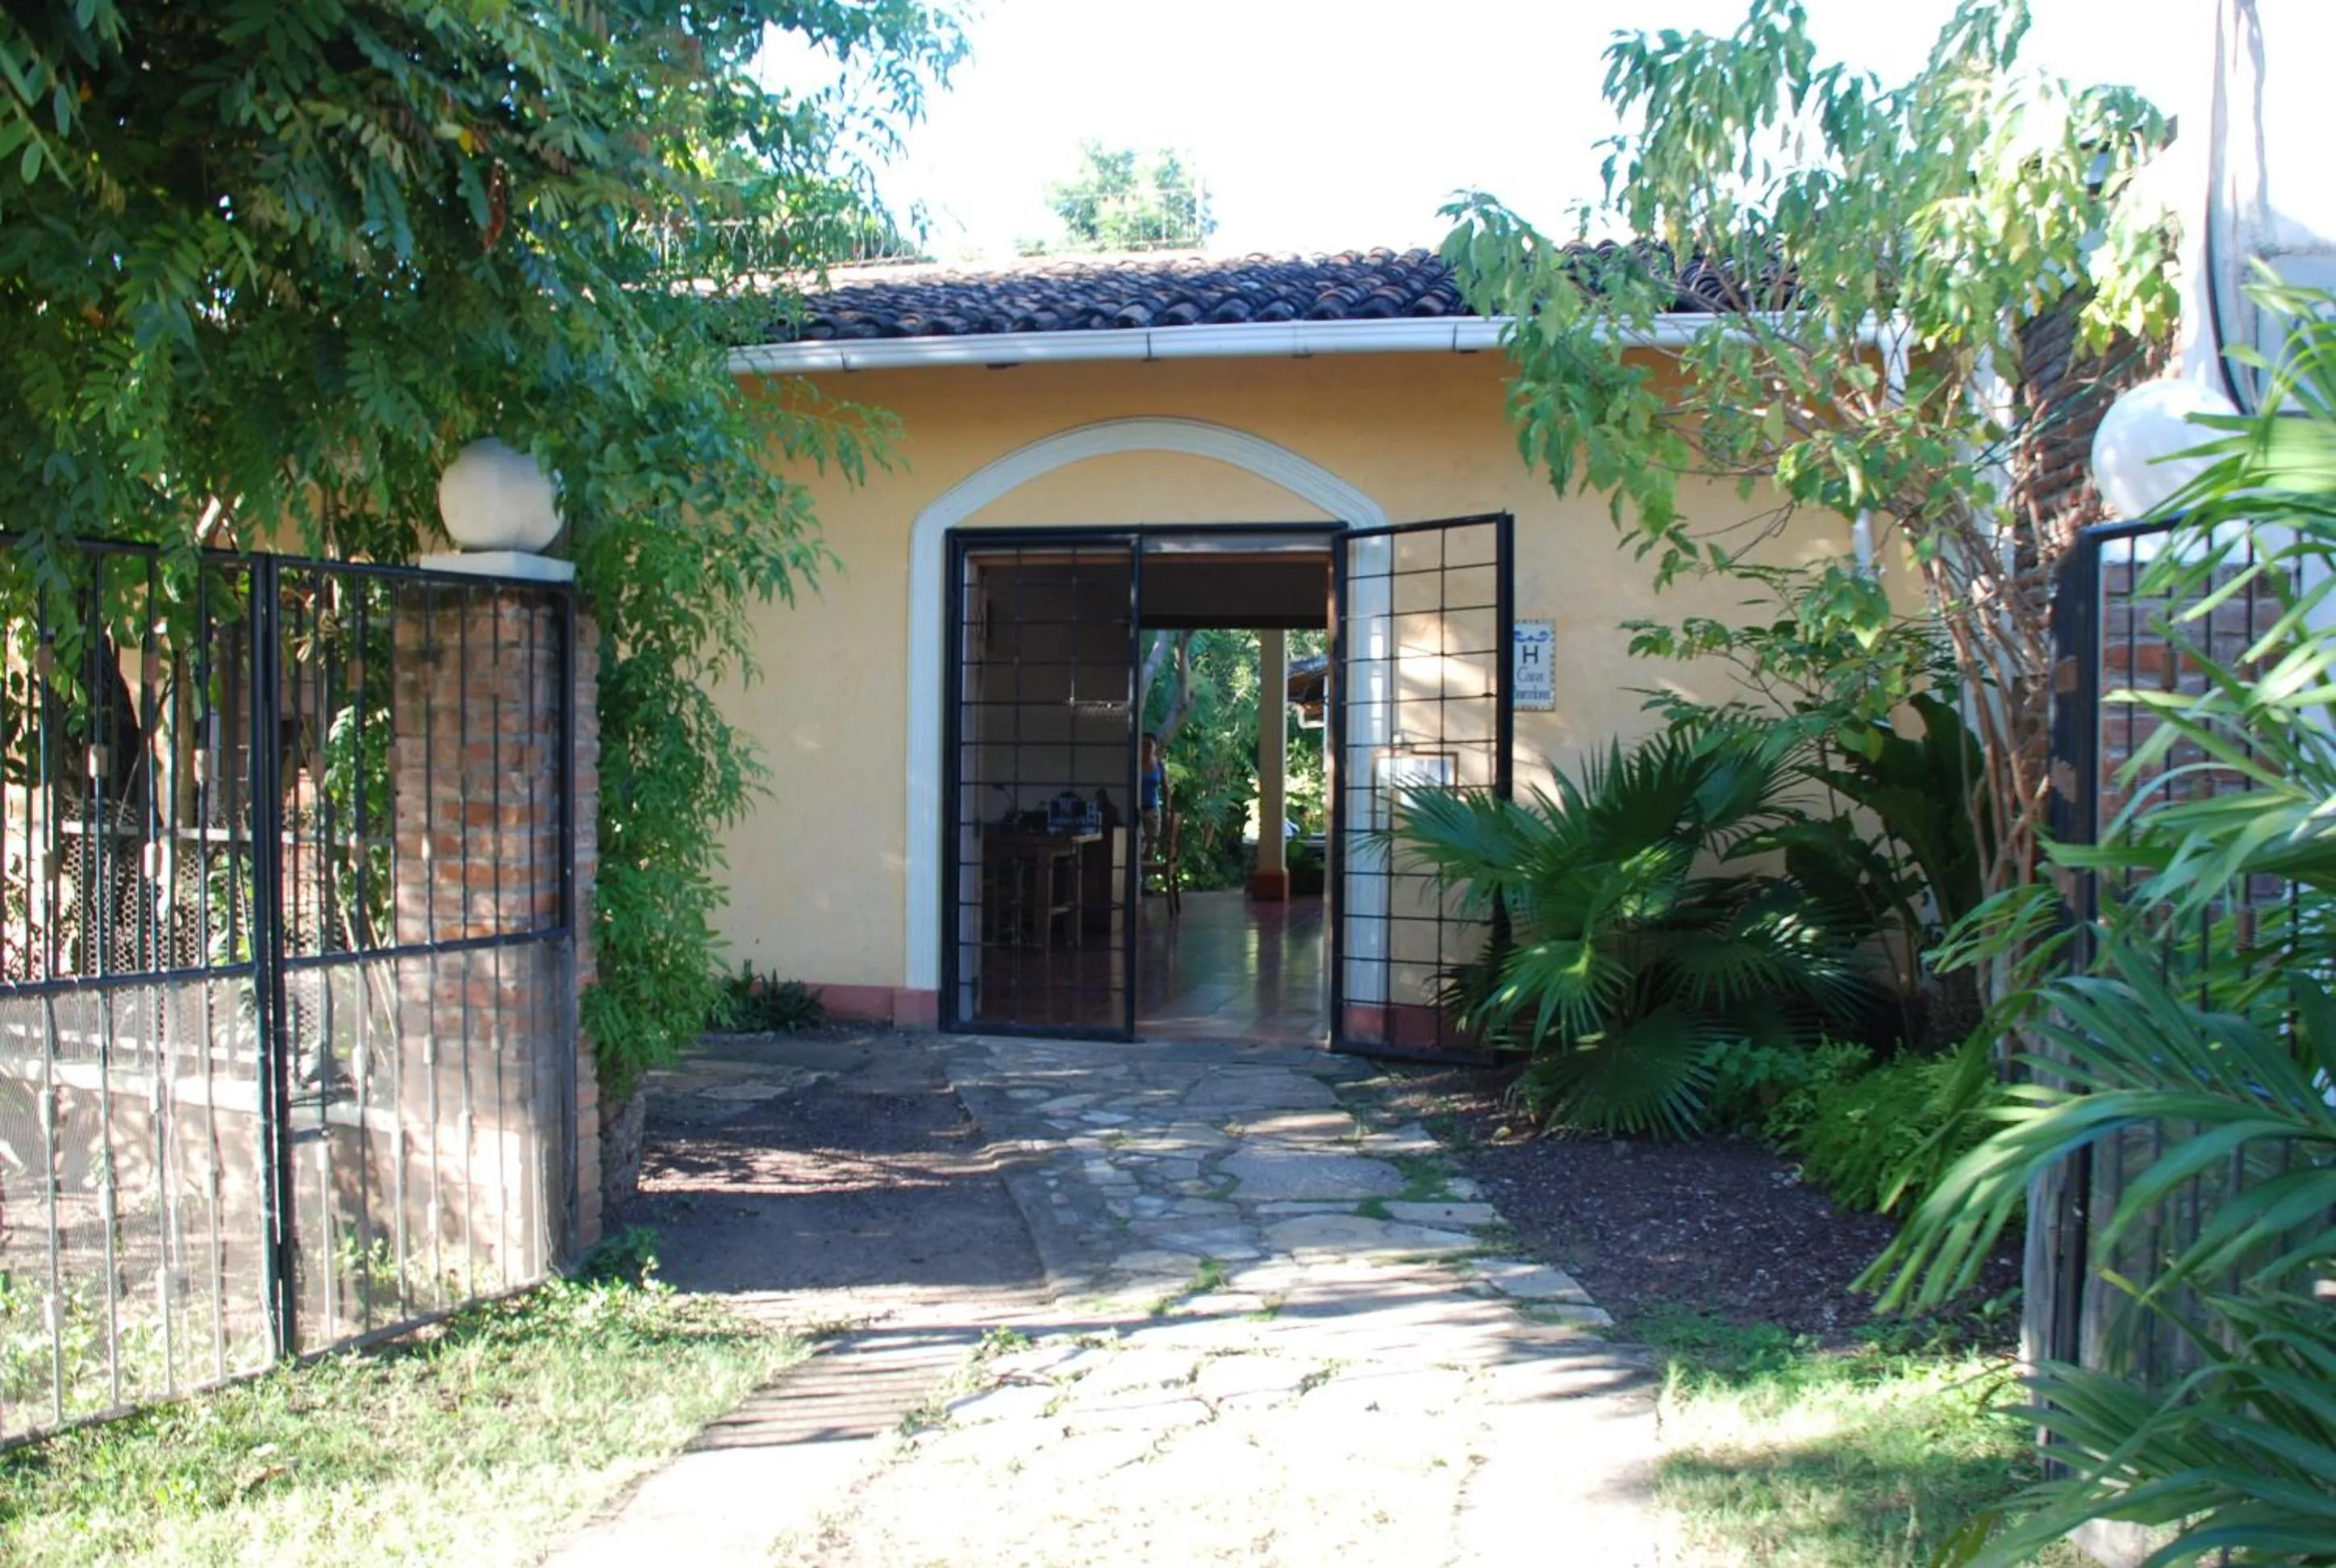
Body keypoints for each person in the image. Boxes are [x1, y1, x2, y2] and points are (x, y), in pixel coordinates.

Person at [1139, 732, 1166, 847]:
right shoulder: (1135, 763)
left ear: (1154, 747)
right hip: (1137, 809)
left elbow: (1166, 788)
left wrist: (1168, 810)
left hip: (1153, 809)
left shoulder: (1159, 765)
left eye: (1149, 745)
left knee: (1151, 845)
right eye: (1143, 744)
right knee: (1138, 844)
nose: (1146, 748)